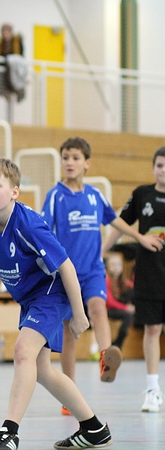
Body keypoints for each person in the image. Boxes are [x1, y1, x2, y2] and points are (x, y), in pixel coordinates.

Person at [0, 158, 112, 450]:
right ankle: (94, 428)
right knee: (42, 370)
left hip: (51, 293)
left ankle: (8, 432)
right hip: (30, 299)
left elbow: (67, 267)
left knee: (22, 351)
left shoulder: (28, 224)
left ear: (14, 192)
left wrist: (79, 314)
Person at [41, 137, 160, 397]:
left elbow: (115, 220)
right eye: (65, 158)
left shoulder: (95, 196)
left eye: (75, 158)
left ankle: (106, 358)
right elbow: (43, 230)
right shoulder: (55, 196)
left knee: (98, 307)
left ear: (87, 163)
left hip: (93, 269)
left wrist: (140, 237)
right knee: (71, 333)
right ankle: (69, 393)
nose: (70, 162)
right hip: (66, 274)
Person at [102, 145, 165, 413]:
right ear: (153, 167)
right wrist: (100, 252)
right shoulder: (142, 195)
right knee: (152, 329)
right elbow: (119, 225)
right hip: (150, 274)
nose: (163, 170)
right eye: (159, 165)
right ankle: (152, 389)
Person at [105, 253, 135, 351]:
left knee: (133, 292)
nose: (116, 267)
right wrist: (126, 308)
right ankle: (117, 343)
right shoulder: (106, 279)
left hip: (120, 307)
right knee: (128, 316)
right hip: (109, 309)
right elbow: (109, 302)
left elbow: (133, 287)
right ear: (108, 267)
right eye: (113, 265)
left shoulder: (122, 281)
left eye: (118, 265)